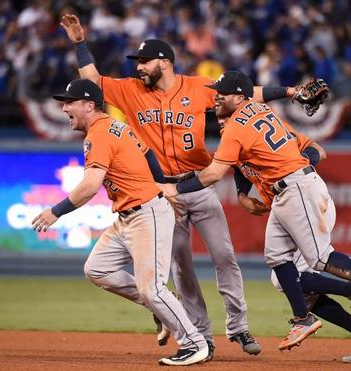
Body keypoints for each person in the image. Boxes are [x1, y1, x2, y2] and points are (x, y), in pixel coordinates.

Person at [60, 13, 302, 357]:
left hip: (198, 185)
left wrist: (290, 91)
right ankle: (202, 337)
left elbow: (249, 93)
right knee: (182, 269)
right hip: (161, 193)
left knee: (224, 256)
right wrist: (80, 43)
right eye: (138, 62)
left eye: (144, 61)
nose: (139, 67)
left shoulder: (197, 88)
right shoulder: (129, 91)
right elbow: (92, 80)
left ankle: (239, 327)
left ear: (164, 62)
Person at [163, 70, 351, 351]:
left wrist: (174, 190)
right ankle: (310, 318)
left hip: (300, 190)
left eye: (222, 94)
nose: (215, 98)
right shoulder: (258, 112)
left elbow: (215, 173)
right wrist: (242, 193)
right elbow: (240, 163)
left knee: (319, 260)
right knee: (278, 262)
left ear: (240, 97)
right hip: (287, 195)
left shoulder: (237, 126)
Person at [31, 78, 209, 366]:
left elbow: (90, 186)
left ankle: (194, 344)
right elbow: (148, 152)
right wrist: (161, 183)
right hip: (128, 217)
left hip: (146, 214)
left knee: (151, 289)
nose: (64, 108)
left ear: (89, 105)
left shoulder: (99, 133)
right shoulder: (115, 125)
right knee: (97, 269)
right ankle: (162, 306)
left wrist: (56, 211)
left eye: (69, 102)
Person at [229, 114, 351, 364]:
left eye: (224, 115)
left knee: (311, 264)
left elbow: (318, 152)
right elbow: (238, 166)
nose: (220, 121)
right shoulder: (235, 141)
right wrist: (241, 193)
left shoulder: (269, 133)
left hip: (305, 199)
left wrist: (294, 162)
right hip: (290, 207)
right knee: (288, 282)